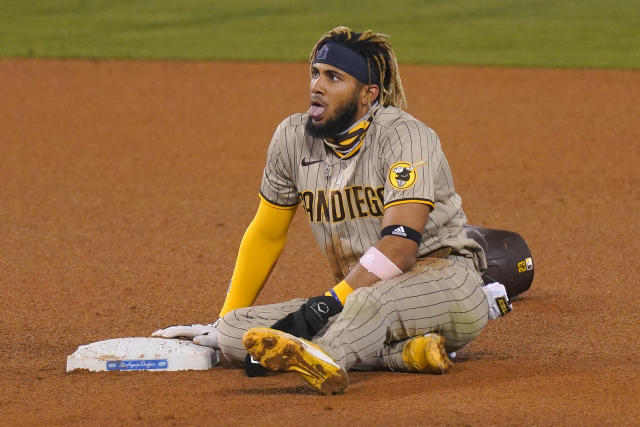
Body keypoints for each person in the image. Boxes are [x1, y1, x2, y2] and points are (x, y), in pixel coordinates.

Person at [154, 26, 497, 395]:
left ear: (368, 94)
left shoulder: (404, 137)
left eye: (334, 77)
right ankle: (402, 355)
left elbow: (400, 248)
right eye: (315, 73)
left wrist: (326, 305)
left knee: (365, 304)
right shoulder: (291, 139)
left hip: (445, 282)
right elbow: (266, 233)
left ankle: (324, 358)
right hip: (356, 295)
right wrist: (223, 321)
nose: (317, 85)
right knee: (241, 334)